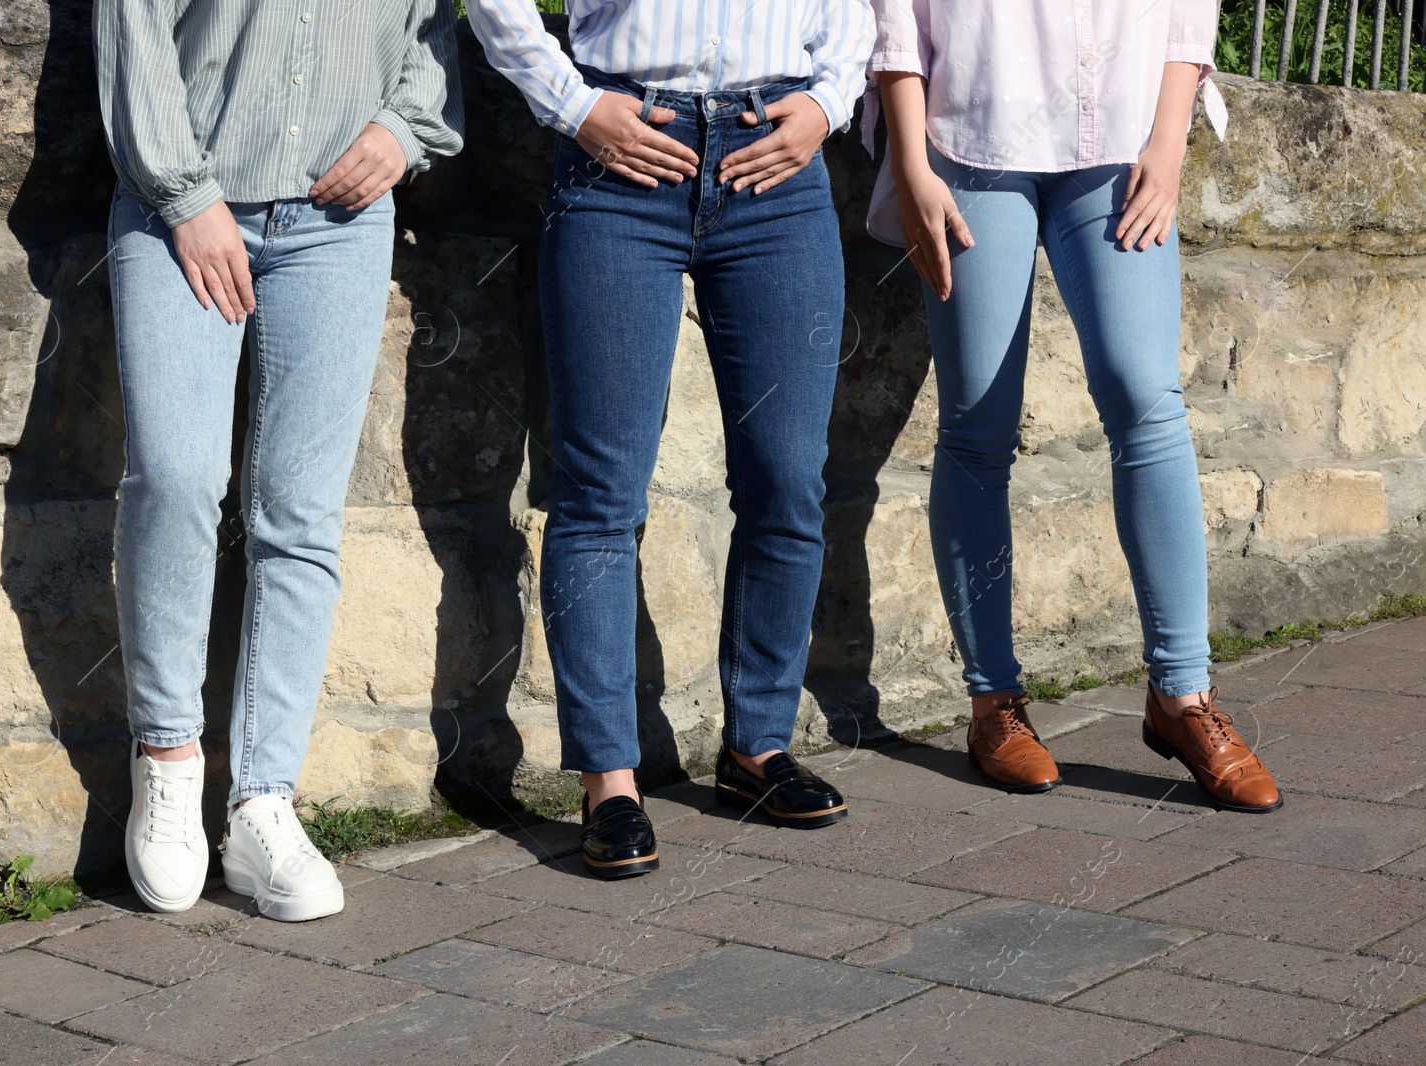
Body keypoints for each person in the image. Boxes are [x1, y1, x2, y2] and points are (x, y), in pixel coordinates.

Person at [464, 0, 877, 877]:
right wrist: (573, 106)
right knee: (599, 492)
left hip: (776, 159)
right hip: (622, 156)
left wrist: (830, 99)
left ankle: (756, 747)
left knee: (786, 477)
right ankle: (609, 780)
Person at [95, 0, 464, 920]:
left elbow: (439, 29)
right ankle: (170, 758)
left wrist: (399, 128)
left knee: (298, 514)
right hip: (178, 206)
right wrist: (186, 198)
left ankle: (264, 800)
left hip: (340, 223)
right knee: (176, 478)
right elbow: (132, 30)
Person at [867, 0, 1280, 812]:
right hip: (972, 124)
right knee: (980, 420)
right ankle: (994, 704)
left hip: (1120, 132)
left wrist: (1169, 142)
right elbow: (895, 14)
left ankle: (1183, 695)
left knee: (1145, 395)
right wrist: (911, 160)